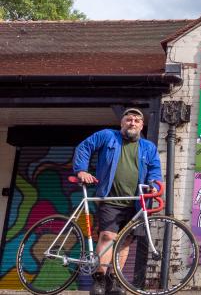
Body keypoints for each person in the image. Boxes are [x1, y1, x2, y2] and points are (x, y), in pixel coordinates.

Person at [73, 107, 161, 295]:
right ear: (122, 123)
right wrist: (81, 170)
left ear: (141, 125)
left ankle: (115, 281)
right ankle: (99, 280)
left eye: (137, 121)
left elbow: (155, 170)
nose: (132, 123)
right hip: (111, 198)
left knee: (125, 241)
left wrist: (154, 184)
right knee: (107, 236)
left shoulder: (148, 147)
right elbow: (85, 146)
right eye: (129, 119)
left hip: (135, 202)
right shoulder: (108, 136)